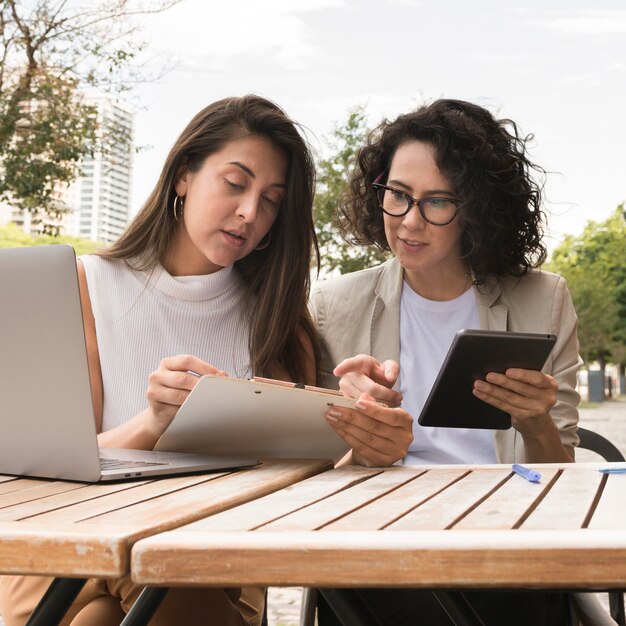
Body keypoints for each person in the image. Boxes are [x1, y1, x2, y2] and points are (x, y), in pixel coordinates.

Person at [0, 94, 320, 626]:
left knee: (110, 614)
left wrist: (354, 425)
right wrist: (153, 424)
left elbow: (299, 484)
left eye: (270, 200)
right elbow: (42, 469)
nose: (249, 212)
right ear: (183, 176)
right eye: (235, 183)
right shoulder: (82, 287)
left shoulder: (280, 325)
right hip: (69, 549)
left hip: (212, 566)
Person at [311, 99, 582, 625]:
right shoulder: (333, 306)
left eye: (438, 202)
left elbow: (559, 475)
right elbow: (309, 480)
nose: (410, 221)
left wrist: (535, 421)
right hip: (379, 536)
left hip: (506, 537)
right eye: (398, 196)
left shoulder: (542, 300)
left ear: (477, 208)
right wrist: (361, 448)